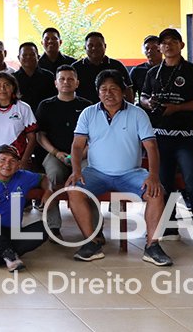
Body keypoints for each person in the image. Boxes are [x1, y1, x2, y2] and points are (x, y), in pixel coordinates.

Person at [67, 69, 173, 266]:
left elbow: (151, 146)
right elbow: (77, 146)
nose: (108, 93)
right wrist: (76, 171)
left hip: (131, 173)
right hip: (96, 172)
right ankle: (91, 243)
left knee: (156, 192)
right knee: (74, 191)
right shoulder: (88, 113)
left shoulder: (138, 114)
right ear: (98, 92)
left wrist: (153, 175)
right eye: (103, 89)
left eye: (113, 88)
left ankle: (152, 247)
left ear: (123, 91)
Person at [140, 28, 193, 248]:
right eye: (164, 43)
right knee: (163, 183)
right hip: (160, 138)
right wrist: (148, 103)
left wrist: (177, 108)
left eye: (173, 41)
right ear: (159, 47)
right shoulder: (153, 73)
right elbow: (142, 97)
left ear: (181, 45)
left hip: (186, 137)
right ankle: (169, 226)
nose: (168, 46)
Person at [0, 145, 51, 271]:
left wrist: (48, 190)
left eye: (12, 161)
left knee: (44, 228)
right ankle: (9, 254)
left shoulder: (23, 177)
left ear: (18, 165)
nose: (7, 164)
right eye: (3, 160)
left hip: (11, 232)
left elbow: (44, 178)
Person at [35, 65, 92, 238]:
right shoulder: (46, 105)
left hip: (83, 155)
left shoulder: (87, 106)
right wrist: (56, 153)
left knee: (89, 178)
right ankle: (53, 226)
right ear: (56, 83)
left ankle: (93, 228)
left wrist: (80, 155)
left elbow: (95, 137)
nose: (66, 82)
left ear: (77, 83)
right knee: (53, 176)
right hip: (55, 155)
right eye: (62, 79)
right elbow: (40, 136)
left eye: (70, 79)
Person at [0, 72, 37, 169]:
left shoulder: (24, 108)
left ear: (13, 87)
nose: (2, 88)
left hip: (17, 159)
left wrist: (24, 160)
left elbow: (32, 138)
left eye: (7, 85)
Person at [71, 32, 134, 104]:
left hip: (113, 109)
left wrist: (128, 108)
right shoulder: (76, 68)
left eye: (99, 45)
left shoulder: (117, 66)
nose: (94, 48)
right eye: (90, 45)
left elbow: (128, 90)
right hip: (83, 109)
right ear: (85, 47)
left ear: (105, 46)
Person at [12, 42, 57, 113]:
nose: (28, 57)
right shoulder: (12, 79)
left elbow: (54, 98)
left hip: (45, 115)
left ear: (38, 57)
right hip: (19, 116)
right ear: (18, 57)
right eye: (24, 55)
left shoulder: (48, 76)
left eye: (32, 54)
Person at [130, 35, 162, 101]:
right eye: (147, 48)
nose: (149, 51)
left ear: (161, 49)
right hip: (143, 106)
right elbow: (130, 95)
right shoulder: (137, 71)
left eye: (154, 48)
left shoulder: (170, 68)